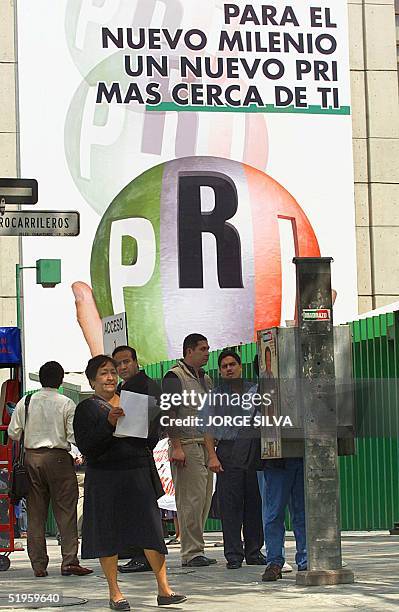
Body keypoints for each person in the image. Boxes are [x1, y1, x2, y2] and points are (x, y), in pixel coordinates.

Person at [73, 355, 186, 611]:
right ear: (92, 380)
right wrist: (109, 424)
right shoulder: (87, 408)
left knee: (151, 531)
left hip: (137, 474)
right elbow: (88, 446)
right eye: (103, 373)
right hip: (105, 477)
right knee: (107, 533)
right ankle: (115, 592)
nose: (110, 377)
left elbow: (147, 442)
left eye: (113, 372)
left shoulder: (131, 402)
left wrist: (153, 422)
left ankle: (164, 589)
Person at [7, 361, 92, 578]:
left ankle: (38, 565)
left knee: (35, 513)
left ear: (41, 379)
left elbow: (13, 433)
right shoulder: (66, 403)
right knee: (66, 512)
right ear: (61, 380)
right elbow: (73, 437)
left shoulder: (25, 402)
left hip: (31, 459)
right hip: (59, 460)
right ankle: (69, 561)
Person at [203, 350, 265, 569]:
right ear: (220, 371)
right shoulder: (215, 396)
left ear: (240, 366)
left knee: (254, 503)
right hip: (228, 452)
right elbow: (208, 429)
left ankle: (254, 551)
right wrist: (212, 456)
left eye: (232, 364)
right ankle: (233, 555)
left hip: (253, 450)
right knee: (230, 506)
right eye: (224, 366)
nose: (229, 368)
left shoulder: (255, 391)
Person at [162, 333, 215, 567]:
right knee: (190, 501)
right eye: (202, 349)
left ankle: (197, 548)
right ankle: (191, 552)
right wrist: (176, 446)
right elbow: (168, 414)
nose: (207, 353)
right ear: (189, 351)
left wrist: (213, 452)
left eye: (207, 349)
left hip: (204, 444)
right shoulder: (174, 376)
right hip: (186, 445)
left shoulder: (205, 378)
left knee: (204, 500)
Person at [112, 345, 161, 574]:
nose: (122, 367)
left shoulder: (142, 387)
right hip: (133, 454)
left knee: (140, 508)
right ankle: (134, 551)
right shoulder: (127, 387)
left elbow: (151, 422)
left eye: (126, 362)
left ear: (135, 361)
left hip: (136, 453)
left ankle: (142, 556)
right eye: (118, 364)